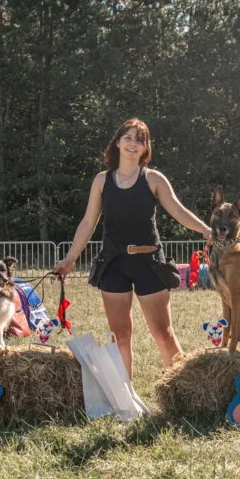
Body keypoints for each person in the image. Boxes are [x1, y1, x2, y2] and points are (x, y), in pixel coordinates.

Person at [54, 118, 212, 379]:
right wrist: (70, 258)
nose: (133, 144)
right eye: (128, 137)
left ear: (145, 148)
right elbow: (87, 222)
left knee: (163, 333)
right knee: (120, 335)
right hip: (113, 264)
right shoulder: (101, 180)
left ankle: (181, 391)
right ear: (117, 142)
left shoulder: (153, 179)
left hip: (149, 263)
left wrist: (204, 229)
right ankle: (126, 399)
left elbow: (178, 211)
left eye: (140, 140)